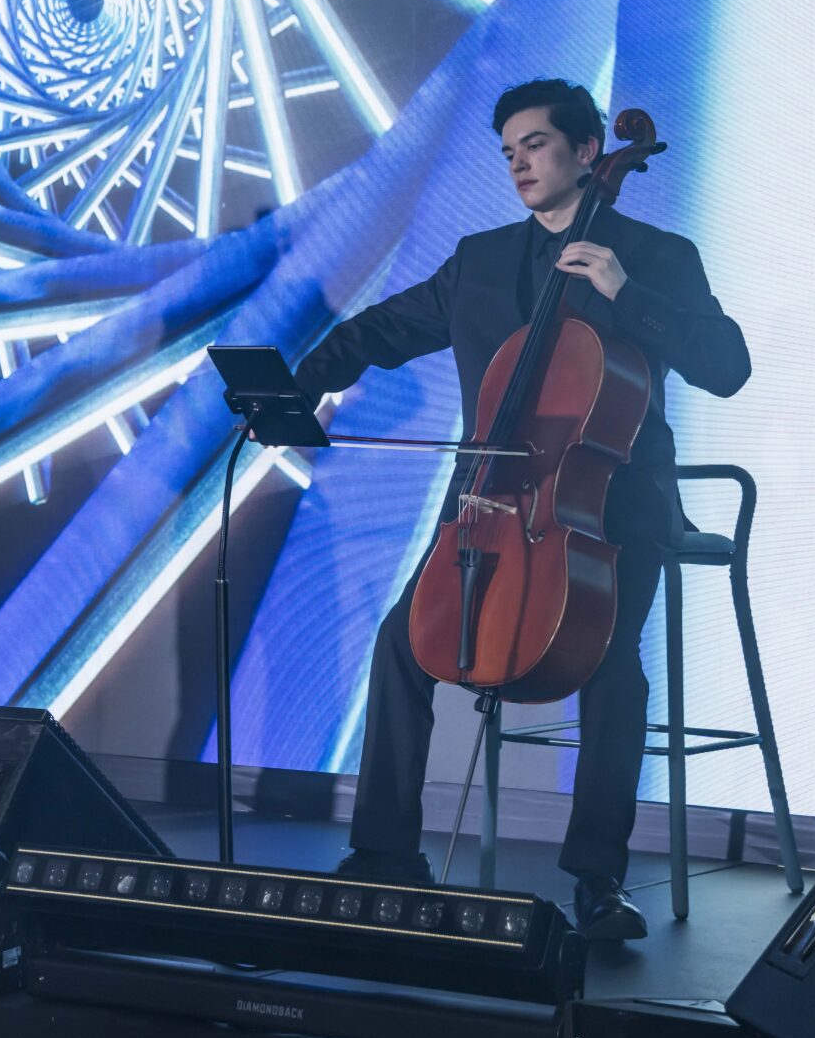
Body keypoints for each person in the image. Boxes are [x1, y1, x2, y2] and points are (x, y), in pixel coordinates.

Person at [294, 79, 750, 941]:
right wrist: (298, 381)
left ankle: (597, 881)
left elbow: (727, 366)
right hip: (491, 503)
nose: (518, 164)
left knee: (612, 670)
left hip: (614, 509)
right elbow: (377, 334)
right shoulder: (479, 261)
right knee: (402, 646)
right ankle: (386, 853)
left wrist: (625, 292)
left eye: (534, 145)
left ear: (587, 152)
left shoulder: (653, 253)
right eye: (508, 152)